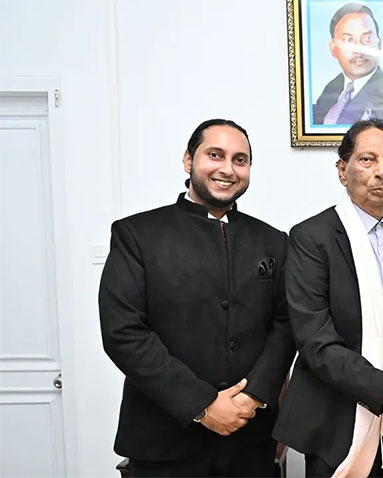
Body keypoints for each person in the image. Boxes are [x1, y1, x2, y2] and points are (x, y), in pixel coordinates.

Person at [98, 119, 295, 477]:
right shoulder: (137, 235)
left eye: (240, 160)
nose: (228, 169)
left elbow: (284, 326)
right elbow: (123, 333)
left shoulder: (273, 241)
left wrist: (253, 396)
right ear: (189, 160)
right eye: (215, 155)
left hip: (250, 439)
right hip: (163, 441)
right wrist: (202, 405)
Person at [273, 119, 383, 477]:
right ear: (342, 170)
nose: (382, 172)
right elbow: (315, 340)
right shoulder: (311, 237)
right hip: (335, 419)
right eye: (367, 160)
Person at [313, 3, 383, 126]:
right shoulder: (331, 89)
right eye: (349, 40)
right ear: (333, 49)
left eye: (367, 39)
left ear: (379, 44)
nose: (359, 49)